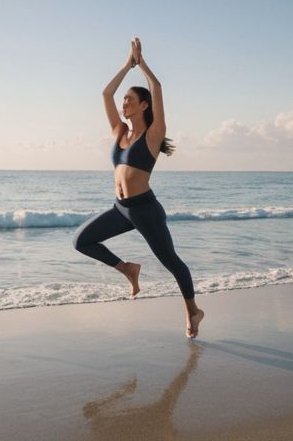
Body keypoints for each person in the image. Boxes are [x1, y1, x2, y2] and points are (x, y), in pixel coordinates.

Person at [73, 38, 205, 338]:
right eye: (124, 101)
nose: (124, 103)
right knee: (82, 241)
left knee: (171, 261)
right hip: (121, 209)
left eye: (130, 99)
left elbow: (157, 89)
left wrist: (142, 64)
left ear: (144, 105)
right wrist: (125, 64)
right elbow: (106, 93)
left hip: (145, 210)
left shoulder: (154, 135)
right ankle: (128, 270)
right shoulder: (119, 131)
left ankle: (192, 312)